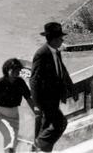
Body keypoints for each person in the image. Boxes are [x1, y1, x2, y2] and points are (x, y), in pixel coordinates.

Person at [30, 22, 74, 152]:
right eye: (60, 38)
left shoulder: (56, 52)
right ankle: (38, 145)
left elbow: (62, 71)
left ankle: (42, 148)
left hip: (54, 98)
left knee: (48, 125)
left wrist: (71, 87)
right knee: (60, 123)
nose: (62, 40)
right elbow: (34, 80)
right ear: (54, 39)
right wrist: (37, 103)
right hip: (45, 99)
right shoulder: (41, 54)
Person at [0, 58, 38, 153]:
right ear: (7, 70)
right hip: (1, 116)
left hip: (15, 115)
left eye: (18, 71)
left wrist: (36, 112)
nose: (16, 73)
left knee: (13, 141)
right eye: (14, 70)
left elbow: (29, 99)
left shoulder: (20, 82)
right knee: (10, 136)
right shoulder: (0, 83)